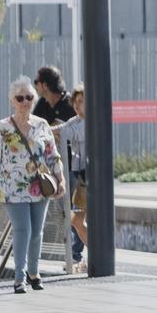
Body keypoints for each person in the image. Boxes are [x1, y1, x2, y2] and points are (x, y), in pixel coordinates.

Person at [0, 76, 65, 294]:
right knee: (23, 229)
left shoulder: (42, 125)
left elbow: (52, 155)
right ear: (12, 101)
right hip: (12, 187)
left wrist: (61, 178)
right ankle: (19, 277)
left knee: (37, 231)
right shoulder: (3, 127)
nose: (24, 102)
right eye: (20, 98)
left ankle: (34, 272)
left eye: (29, 97)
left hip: (40, 185)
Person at [59, 82, 89, 271]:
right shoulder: (75, 120)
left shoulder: (90, 123)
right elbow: (63, 129)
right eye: (75, 102)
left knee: (77, 219)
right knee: (76, 219)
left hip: (89, 177)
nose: (76, 106)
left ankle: (93, 256)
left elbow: (67, 133)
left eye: (81, 101)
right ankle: (91, 256)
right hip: (80, 177)